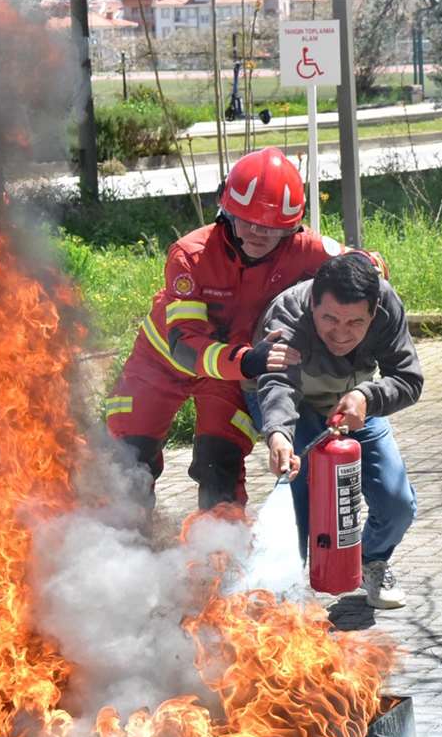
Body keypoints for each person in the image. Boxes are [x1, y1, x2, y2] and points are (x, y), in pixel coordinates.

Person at [104, 147, 346, 511]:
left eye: (271, 227)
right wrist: (248, 361)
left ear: (291, 227)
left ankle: (220, 545)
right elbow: (185, 345)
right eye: (247, 221)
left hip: (229, 372)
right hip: (162, 363)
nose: (258, 233)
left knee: (220, 462)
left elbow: (365, 268)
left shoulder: (304, 248)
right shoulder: (191, 255)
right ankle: (126, 542)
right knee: (129, 456)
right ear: (226, 211)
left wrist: (364, 283)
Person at [249, 253, 423, 609]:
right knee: (298, 493)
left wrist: (366, 396)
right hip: (293, 406)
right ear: (313, 304)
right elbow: (278, 383)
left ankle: (372, 560)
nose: (341, 334)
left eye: (355, 322)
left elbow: (409, 379)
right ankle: (283, 592)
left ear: (373, 313)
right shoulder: (288, 311)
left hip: (355, 403)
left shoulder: (387, 305)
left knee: (397, 502)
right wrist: (278, 434)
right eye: (329, 319)